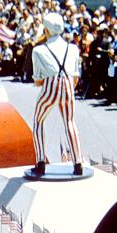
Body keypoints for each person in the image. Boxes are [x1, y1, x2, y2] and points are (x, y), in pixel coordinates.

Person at [31, 12, 83, 176]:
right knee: (70, 122)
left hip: (50, 87)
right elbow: (75, 77)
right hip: (68, 86)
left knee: (38, 121)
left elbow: (38, 81)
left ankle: (40, 162)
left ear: (46, 30)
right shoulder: (73, 48)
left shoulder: (39, 50)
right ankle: (78, 162)